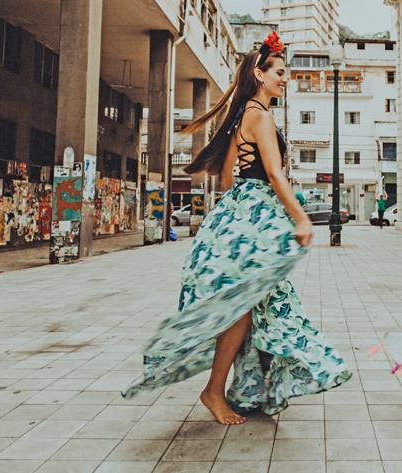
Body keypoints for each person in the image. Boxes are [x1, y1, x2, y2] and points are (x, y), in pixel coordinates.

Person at [122, 32, 352, 425]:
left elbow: (229, 178)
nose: (286, 79)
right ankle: (214, 391)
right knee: (245, 306)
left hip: (240, 217)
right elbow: (276, 175)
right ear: (260, 75)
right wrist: (299, 217)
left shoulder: (243, 115)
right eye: (280, 72)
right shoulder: (259, 115)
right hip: (253, 219)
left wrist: (244, 214)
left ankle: (247, 388)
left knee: (255, 305)